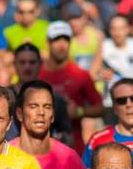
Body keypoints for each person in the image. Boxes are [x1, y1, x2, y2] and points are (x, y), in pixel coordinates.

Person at [39, 20, 105, 151]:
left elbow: (100, 108)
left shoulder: (81, 74)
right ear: (48, 43)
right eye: (56, 40)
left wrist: (79, 112)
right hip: (42, 147)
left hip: (72, 148)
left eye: (66, 40)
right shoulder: (37, 74)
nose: (62, 45)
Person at [93, 14, 133, 103]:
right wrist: (101, 75)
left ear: (128, 29)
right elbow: (92, 74)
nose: (117, 32)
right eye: (113, 28)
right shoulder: (104, 46)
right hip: (111, 101)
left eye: (121, 28)